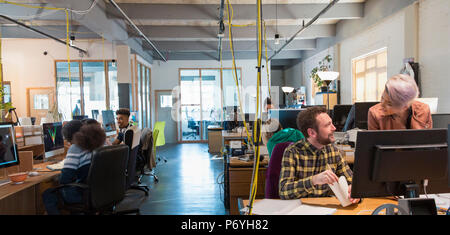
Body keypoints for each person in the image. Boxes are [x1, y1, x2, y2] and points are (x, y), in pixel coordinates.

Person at [279, 106, 359, 204]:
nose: (334, 128)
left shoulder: (333, 151)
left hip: (326, 208)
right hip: (300, 208)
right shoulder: (293, 152)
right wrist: (314, 180)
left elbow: (352, 182)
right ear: (312, 132)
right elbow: (284, 192)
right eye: (327, 125)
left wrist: (354, 192)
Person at [42, 120, 106, 215]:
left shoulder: (76, 147)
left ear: (72, 138)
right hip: (102, 192)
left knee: (48, 193)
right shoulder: (100, 143)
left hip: (84, 194)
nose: (68, 143)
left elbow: (65, 179)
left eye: (68, 140)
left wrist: (57, 177)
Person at [368, 74, 432, 130]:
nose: (382, 105)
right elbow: (373, 142)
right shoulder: (375, 113)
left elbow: (427, 140)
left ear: (405, 106)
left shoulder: (423, 110)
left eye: (389, 104)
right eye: (382, 99)